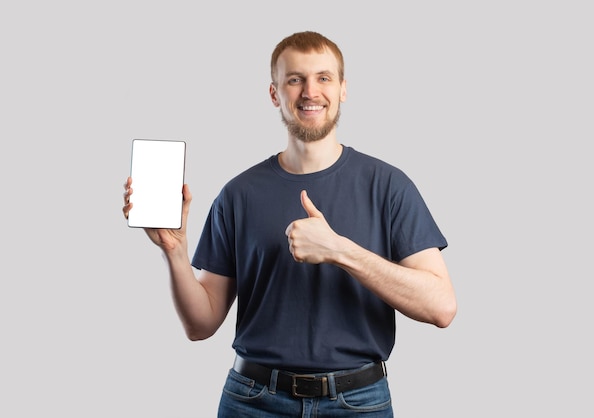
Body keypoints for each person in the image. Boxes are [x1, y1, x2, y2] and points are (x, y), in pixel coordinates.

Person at [123, 30, 457, 418]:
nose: (310, 91)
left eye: (323, 78)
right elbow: (201, 324)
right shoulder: (238, 194)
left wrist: (339, 250)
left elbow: (442, 307)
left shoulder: (389, 186)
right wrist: (176, 252)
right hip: (253, 401)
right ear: (274, 93)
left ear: (343, 89)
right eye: (295, 79)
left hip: (359, 402)